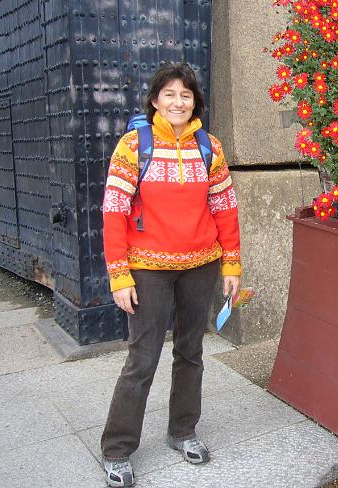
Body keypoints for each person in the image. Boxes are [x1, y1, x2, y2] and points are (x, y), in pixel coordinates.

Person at [100, 63, 241, 487]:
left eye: (186, 95)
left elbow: (225, 208)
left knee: (191, 351)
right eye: (170, 94)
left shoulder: (209, 147)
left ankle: (183, 430)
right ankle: (117, 449)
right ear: (155, 99)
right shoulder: (133, 145)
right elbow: (113, 211)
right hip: (148, 268)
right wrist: (119, 275)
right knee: (142, 358)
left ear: (195, 101)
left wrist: (232, 264)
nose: (178, 102)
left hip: (201, 264)